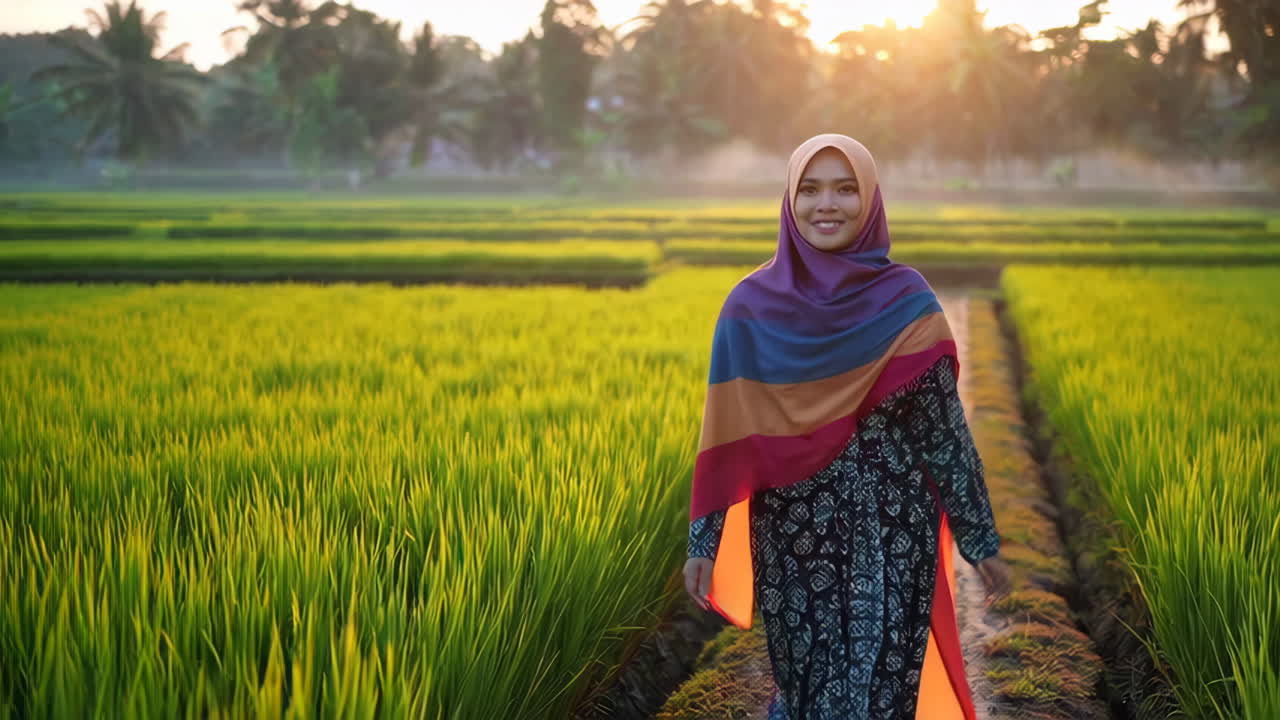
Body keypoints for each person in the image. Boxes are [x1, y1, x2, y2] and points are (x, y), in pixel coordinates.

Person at [683, 134, 1012, 720]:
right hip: (794, 541)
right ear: (789, 201)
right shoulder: (749, 310)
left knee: (882, 694)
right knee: (810, 689)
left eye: (845, 189)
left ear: (870, 201)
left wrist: (979, 538)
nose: (826, 204)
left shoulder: (907, 301)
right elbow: (727, 441)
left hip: (895, 533)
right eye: (809, 189)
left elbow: (944, 436)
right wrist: (703, 543)